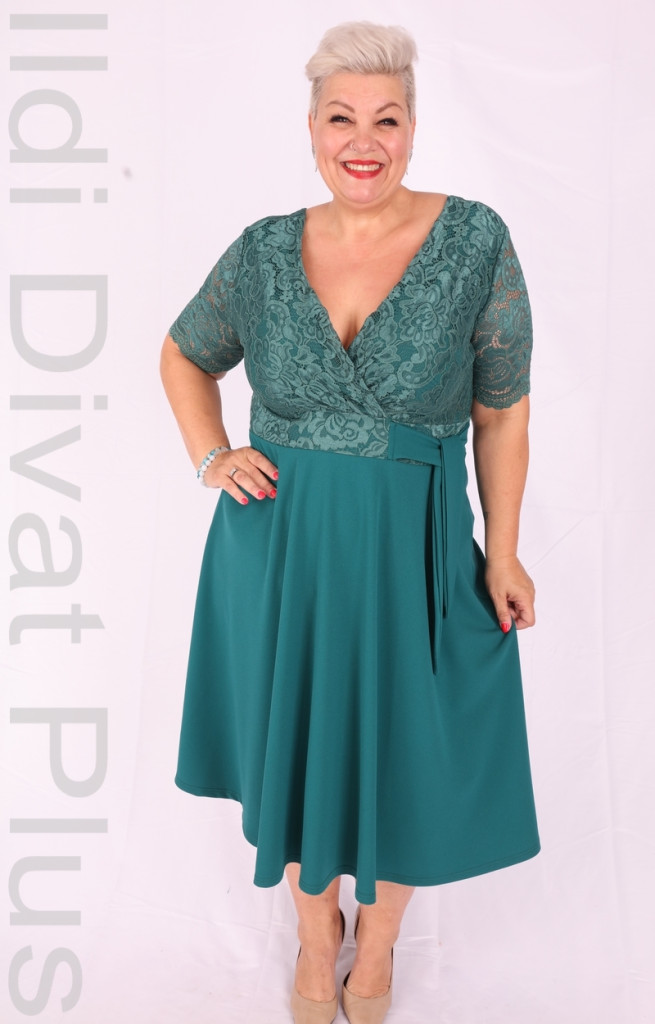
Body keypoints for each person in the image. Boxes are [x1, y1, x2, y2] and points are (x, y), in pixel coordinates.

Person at [160, 21, 540, 1024]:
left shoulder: (473, 241)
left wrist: (501, 553)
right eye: (341, 118)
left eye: (386, 118)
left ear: (412, 127)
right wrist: (211, 455)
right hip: (276, 548)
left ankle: (376, 946)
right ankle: (314, 931)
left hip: (412, 547)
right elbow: (184, 353)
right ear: (311, 128)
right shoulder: (262, 250)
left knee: (406, 748)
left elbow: (501, 412)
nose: (362, 141)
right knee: (293, 743)